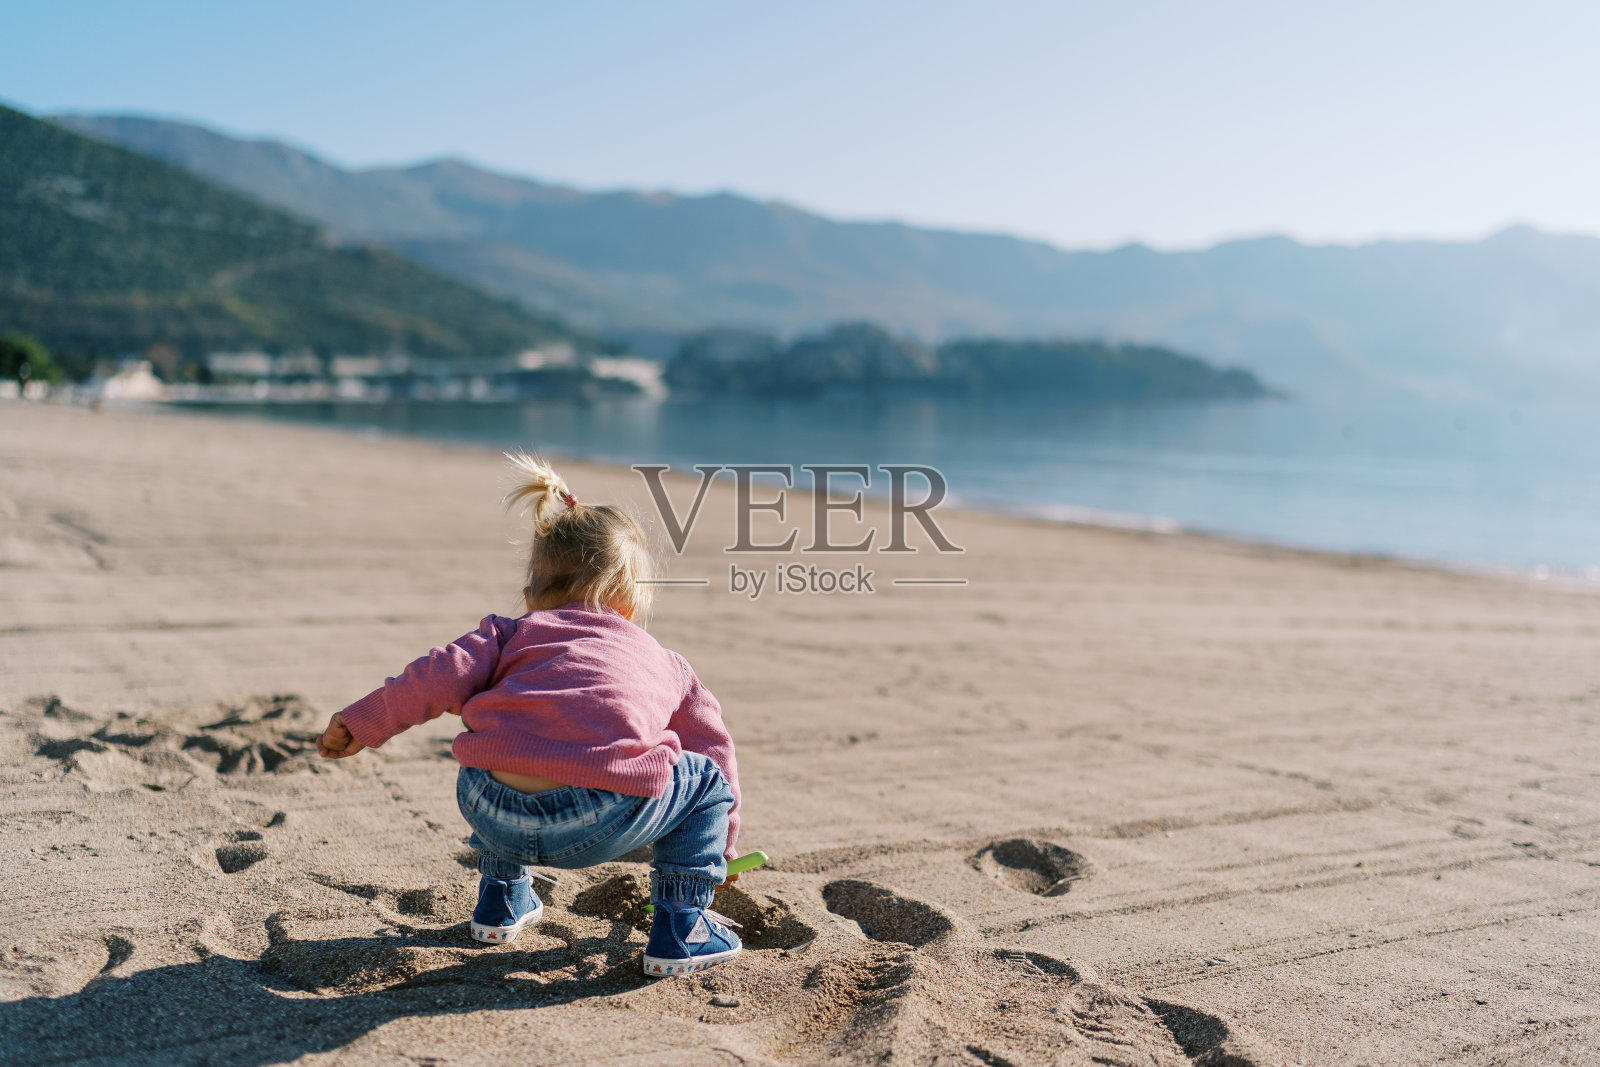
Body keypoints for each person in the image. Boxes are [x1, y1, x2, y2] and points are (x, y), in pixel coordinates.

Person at [316, 453, 743, 977]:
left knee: (502, 732)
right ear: (628, 602)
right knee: (707, 781)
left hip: (490, 813)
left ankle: (501, 897)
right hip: (598, 820)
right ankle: (683, 924)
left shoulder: (508, 633)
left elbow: (434, 676)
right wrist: (719, 849)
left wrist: (363, 722)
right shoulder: (667, 663)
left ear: (529, 596)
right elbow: (712, 747)